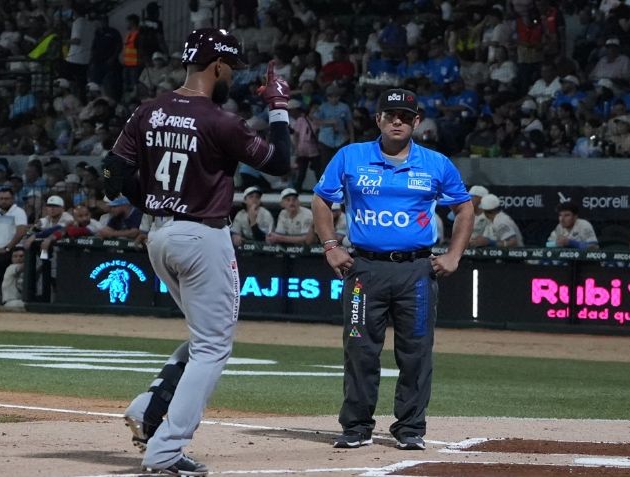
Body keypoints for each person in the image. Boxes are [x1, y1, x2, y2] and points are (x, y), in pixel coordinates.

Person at [102, 28, 291, 476]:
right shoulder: (220, 120)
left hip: (159, 235)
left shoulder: (147, 110)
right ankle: (165, 449)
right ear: (217, 66)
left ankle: (150, 408)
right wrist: (279, 108)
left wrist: (152, 202)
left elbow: (112, 172)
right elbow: (280, 164)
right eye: (232, 69)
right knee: (213, 347)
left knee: (204, 336)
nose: (233, 77)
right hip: (203, 234)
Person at [311, 89, 473, 451]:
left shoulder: (436, 163)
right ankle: (356, 427)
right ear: (378, 119)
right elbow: (321, 198)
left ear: (417, 121)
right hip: (364, 268)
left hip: (416, 270)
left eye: (404, 115)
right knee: (360, 350)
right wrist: (330, 245)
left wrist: (454, 255)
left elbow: (464, 207)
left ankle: (410, 428)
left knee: (416, 351)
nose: (397, 121)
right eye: (390, 115)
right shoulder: (351, 156)